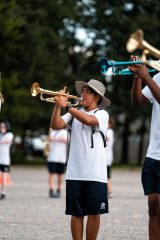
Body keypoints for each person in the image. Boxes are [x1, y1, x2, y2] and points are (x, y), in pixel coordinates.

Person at [50, 79, 111, 240]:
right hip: (74, 172)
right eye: (82, 90)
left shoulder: (102, 114)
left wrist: (68, 106)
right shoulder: (73, 113)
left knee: (94, 213)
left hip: (95, 174)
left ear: (97, 96)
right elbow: (56, 125)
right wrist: (58, 106)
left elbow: (89, 120)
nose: (82, 94)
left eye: (87, 91)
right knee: (76, 214)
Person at [129, 55, 160, 240]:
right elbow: (137, 101)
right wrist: (138, 77)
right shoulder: (157, 77)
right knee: (153, 206)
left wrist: (146, 76)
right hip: (153, 154)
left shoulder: (153, 77)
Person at [46, 128, 68, 198]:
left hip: (61, 158)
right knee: (51, 174)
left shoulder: (64, 132)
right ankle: (51, 190)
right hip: (52, 157)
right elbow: (49, 140)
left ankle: (58, 190)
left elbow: (66, 140)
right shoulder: (52, 131)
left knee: (60, 175)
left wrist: (54, 139)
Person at [0, 121, 14, 200]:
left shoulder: (9, 135)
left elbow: (8, 141)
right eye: (1, 127)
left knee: (4, 177)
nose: (2, 128)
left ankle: (3, 192)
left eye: (3, 127)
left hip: (5, 160)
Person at [106, 117, 115, 198]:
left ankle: (109, 191)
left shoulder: (109, 131)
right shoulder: (108, 131)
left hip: (106, 158)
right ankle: (108, 191)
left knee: (106, 176)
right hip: (107, 157)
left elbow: (105, 138)